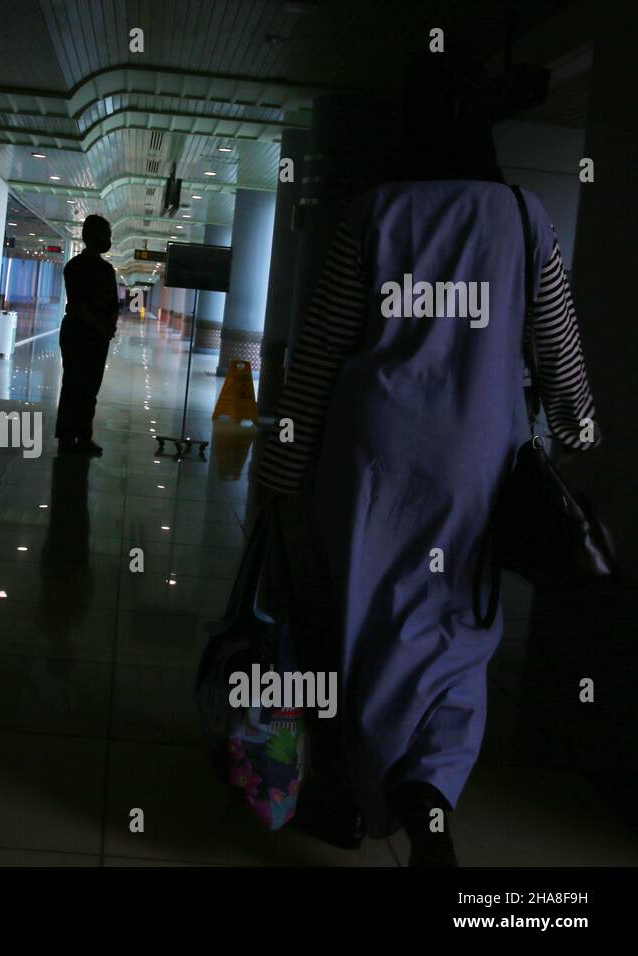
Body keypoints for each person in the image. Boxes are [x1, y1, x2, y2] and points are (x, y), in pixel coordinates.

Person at [255, 53, 599, 866]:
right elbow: (560, 355)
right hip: (478, 470)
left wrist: (277, 475)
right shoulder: (525, 219)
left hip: (372, 468)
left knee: (367, 627)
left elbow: (316, 361)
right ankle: (428, 794)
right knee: (460, 632)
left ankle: (356, 791)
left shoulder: (374, 214)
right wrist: (579, 436)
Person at [56, 214, 118, 455]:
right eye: (106, 235)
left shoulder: (106, 269)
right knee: (74, 384)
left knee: (90, 387)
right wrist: (102, 328)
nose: (108, 240)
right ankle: (66, 436)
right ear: (92, 237)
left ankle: (83, 436)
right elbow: (78, 304)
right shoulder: (75, 267)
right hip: (78, 334)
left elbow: (113, 304)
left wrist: (109, 327)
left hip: (96, 336)